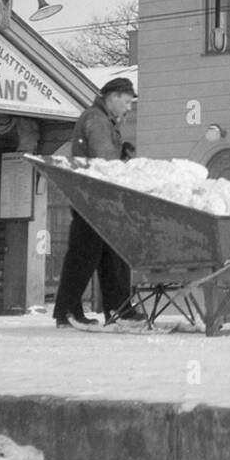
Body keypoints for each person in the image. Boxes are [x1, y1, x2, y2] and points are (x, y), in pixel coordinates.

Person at [52, 77, 138, 329]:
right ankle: (67, 310)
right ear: (112, 97)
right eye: (126, 100)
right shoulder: (97, 119)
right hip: (91, 196)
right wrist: (122, 157)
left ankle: (119, 307)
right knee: (84, 253)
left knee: (111, 253)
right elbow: (103, 159)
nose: (129, 107)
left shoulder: (104, 119)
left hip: (99, 197)